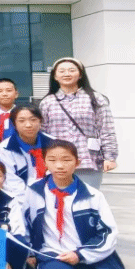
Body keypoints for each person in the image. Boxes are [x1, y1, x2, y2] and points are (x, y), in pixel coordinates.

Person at [24, 140, 127, 269]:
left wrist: (80, 255)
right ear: (45, 162)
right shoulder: (34, 192)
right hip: (54, 255)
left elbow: (108, 233)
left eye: (66, 160)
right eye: (52, 160)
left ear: (77, 163)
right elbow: (24, 224)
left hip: (88, 256)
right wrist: (29, 253)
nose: (59, 166)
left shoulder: (93, 195)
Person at [39, 57, 118, 187]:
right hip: (57, 162)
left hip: (88, 160)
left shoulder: (96, 99)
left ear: (80, 74)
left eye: (72, 70)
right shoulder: (47, 102)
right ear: (55, 76)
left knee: (87, 197)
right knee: (58, 197)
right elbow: (42, 133)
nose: (67, 74)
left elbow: (106, 129)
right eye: (62, 71)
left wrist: (110, 157)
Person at [0, 104, 54, 199]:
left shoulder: (54, 144)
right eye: (22, 121)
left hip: (53, 196)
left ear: (40, 121)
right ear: (14, 124)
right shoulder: (5, 148)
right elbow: (12, 183)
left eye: (33, 120)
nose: (28, 125)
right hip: (20, 199)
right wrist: (33, 201)